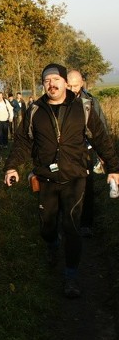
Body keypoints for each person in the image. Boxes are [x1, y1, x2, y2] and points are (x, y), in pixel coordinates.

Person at [4, 63, 119, 299]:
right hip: (45, 178)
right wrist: (12, 166)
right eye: (46, 80)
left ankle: (71, 276)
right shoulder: (35, 111)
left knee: (72, 226)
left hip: (75, 177)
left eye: (56, 79)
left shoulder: (83, 108)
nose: (51, 84)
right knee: (47, 227)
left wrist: (114, 168)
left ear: (66, 83)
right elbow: (23, 142)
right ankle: (53, 245)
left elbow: (101, 139)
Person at [67, 70, 109, 238]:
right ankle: (67, 222)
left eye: (75, 86)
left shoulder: (91, 101)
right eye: (69, 85)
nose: (71, 89)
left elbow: (101, 128)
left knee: (87, 186)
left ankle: (86, 224)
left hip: (86, 151)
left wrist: (103, 153)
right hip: (65, 151)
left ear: (81, 84)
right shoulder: (59, 100)